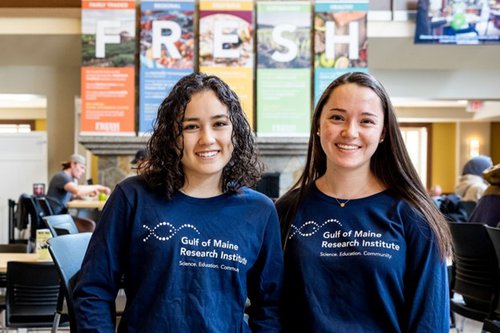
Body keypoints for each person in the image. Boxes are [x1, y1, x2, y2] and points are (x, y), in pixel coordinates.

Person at [73, 73, 283, 332]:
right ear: (172, 136)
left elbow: (271, 306)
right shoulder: (133, 197)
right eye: (190, 126)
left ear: (235, 132)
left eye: (219, 124)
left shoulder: (260, 211)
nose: (207, 138)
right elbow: (94, 290)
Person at [275, 72, 451, 332]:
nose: (350, 132)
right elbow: (271, 308)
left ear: (383, 133)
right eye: (337, 117)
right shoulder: (287, 210)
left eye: (367, 121)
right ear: (318, 125)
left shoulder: (413, 215)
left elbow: (430, 322)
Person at [46, 153, 111, 214]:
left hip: (61, 215)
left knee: (89, 218)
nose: (83, 171)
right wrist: (98, 187)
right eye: (82, 167)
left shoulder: (68, 179)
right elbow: (77, 190)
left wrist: (89, 193)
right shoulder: (62, 177)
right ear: (73, 164)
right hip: (56, 217)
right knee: (90, 222)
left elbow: (73, 196)